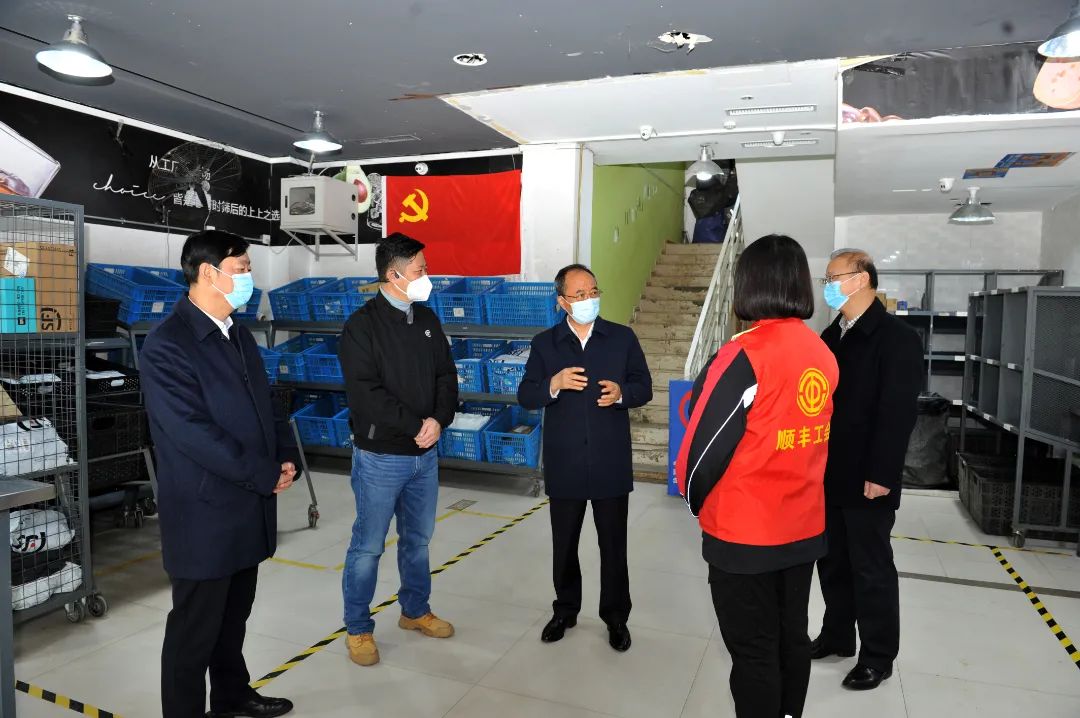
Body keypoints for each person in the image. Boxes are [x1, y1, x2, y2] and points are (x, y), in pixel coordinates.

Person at [675, 235, 839, 718]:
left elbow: (701, 450)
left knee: (753, 650)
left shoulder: (745, 354)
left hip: (745, 533)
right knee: (792, 637)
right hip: (803, 525)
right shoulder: (821, 352)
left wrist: (693, 500)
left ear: (749, 284)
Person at [141, 230, 297, 718]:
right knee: (194, 631)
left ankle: (231, 696)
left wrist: (284, 455)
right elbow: (194, 433)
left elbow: (265, 404)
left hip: (246, 504)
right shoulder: (167, 345)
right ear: (209, 273)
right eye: (242, 268)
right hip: (204, 512)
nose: (249, 277)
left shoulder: (237, 333)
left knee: (233, 617)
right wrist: (261, 473)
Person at [338, 233, 458, 667]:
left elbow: (446, 375)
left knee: (418, 541)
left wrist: (438, 420)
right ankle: (358, 628)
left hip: (425, 456)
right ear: (394, 275)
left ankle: (415, 609)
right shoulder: (361, 327)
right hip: (381, 457)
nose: (427, 276)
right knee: (369, 546)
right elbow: (366, 394)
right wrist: (415, 426)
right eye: (420, 270)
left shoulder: (426, 318)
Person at [518, 264, 652, 652]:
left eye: (593, 291)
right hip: (565, 462)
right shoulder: (545, 344)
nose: (588, 299)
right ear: (562, 302)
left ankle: (616, 617)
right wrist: (553, 384)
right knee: (565, 545)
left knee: (613, 546)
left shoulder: (621, 338)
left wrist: (622, 393)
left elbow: (644, 386)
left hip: (610, 461)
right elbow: (526, 395)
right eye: (579, 294)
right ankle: (565, 610)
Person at [811, 248, 922, 691]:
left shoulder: (896, 338)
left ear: (862, 279)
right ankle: (837, 635)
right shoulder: (831, 335)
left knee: (870, 567)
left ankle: (878, 655)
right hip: (829, 472)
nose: (828, 286)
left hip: (868, 475)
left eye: (833, 277)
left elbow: (898, 414)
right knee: (832, 561)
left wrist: (882, 474)